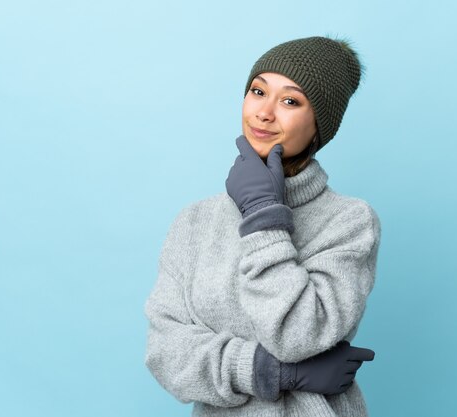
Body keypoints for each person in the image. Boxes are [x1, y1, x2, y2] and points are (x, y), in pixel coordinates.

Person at [144, 35, 382, 417]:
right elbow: (167, 355)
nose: (264, 113)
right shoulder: (194, 222)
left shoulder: (349, 221)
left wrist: (263, 216)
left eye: (290, 101)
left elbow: (298, 335)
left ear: (320, 124)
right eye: (258, 91)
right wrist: (277, 372)